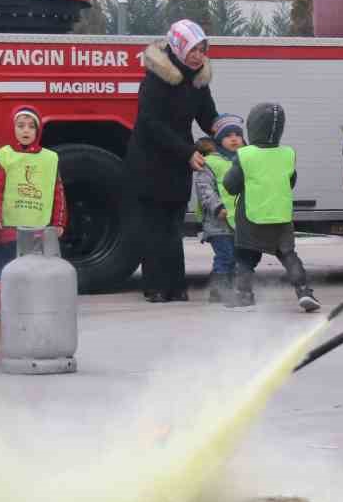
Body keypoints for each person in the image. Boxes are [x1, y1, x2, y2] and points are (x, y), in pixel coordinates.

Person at [124, 19, 219, 302]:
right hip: (149, 161)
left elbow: (207, 116)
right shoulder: (156, 79)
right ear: (178, 47)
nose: (198, 55)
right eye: (193, 49)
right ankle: (155, 286)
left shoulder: (198, 79)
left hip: (178, 162)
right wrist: (188, 152)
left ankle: (176, 286)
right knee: (154, 226)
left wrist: (224, 130)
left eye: (202, 49)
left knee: (173, 227)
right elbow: (151, 124)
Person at [222, 102, 319, 312]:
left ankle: (244, 294)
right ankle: (304, 291)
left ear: (253, 127)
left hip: (251, 216)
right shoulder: (287, 154)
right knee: (288, 254)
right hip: (281, 216)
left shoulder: (245, 154)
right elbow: (291, 182)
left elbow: (230, 185)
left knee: (245, 257)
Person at [0, 105, 67, 280]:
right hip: (10, 231)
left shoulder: (49, 158)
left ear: (37, 131)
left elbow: (58, 192)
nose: (26, 130)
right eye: (21, 125)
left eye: (31, 126)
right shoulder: (4, 156)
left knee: (36, 275)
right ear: (13, 128)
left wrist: (59, 222)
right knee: (10, 274)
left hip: (40, 230)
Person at [194, 116, 255, 305]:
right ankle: (220, 290)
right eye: (228, 135)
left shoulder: (247, 160)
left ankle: (239, 291)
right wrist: (217, 206)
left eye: (238, 135)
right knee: (226, 256)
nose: (234, 139)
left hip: (241, 221)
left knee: (241, 258)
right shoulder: (210, 162)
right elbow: (205, 189)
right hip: (218, 222)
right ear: (219, 139)